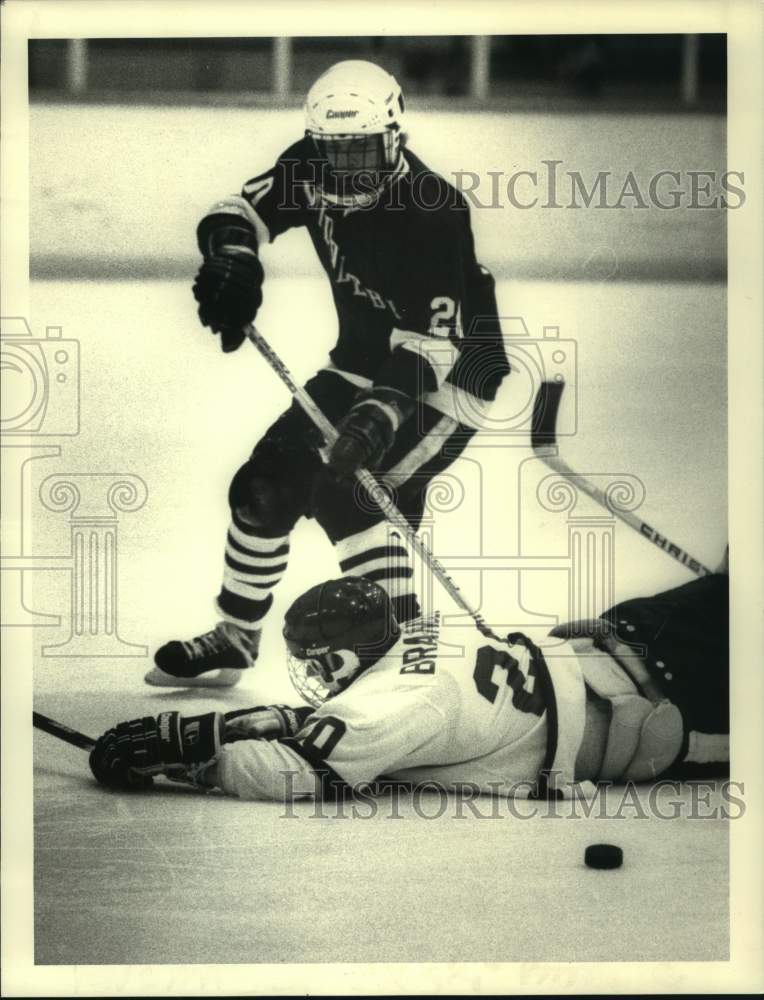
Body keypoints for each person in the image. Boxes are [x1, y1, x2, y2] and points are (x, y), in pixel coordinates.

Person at [146, 59, 509, 689]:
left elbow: (432, 347)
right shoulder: (307, 166)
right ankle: (235, 638)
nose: (348, 169)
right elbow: (237, 210)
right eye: (336, 152)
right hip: (360, 359)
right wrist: (234, 256)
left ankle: (397, 660)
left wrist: (377, 418)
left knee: (354, 493)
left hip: (452, 376)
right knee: (263, 486)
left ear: (396, 136)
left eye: (364, 152)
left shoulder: (433, 212)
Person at [91, 566, 729, 800]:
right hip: (637, 631)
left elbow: (287, 773)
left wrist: (188, 751)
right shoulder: (423, 629)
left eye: (317, 663)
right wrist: (273, 718)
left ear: (345, 660)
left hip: (676, 704)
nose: (312, 677)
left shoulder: (394, 705)